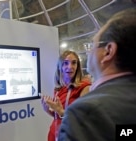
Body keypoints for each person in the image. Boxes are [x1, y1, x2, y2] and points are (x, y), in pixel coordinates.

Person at [58, 8, 136, 141]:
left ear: (108, 51)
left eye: (92, 45)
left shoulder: (84, 113)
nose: (88, 52)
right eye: (65, 63)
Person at [41, 50, 91, 141]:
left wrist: (60, 111)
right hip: (54, 134)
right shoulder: (58, 89)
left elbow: (82, 120)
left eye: (74, 63)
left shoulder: (84, 87)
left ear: (77, 66)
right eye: (66, 63)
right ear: (60, 67)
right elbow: (59, 116)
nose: (70, 67)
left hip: (71, 136)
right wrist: (48, 110)